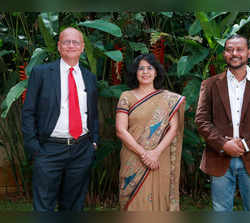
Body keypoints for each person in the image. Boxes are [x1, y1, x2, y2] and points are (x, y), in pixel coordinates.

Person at [195, 34, 250, 211]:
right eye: (229, 49)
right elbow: (201, 120)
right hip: (219, 157)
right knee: (220, 211)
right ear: (224, 54)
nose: (234, 53)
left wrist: (245, 144)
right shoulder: (210, 84)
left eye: (239, 49)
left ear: (249, 52)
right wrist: (223, 144)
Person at [22, 27, 99, 212]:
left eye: (76, 42)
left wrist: (93, 143)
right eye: (66, 42)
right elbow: (28, 111)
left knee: (74, 205)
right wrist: (35, 148)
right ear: (59, 47)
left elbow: (93, 113)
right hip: (49, 149)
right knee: (44, 206)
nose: (71, 45)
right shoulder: (41, 73)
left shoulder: (89, 77)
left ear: (82, 48)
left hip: (81, 149)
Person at [116, 53, 185, 211]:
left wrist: (155, 153)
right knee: (133, 200)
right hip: (133, 156)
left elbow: (173, 129)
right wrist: (144, 154)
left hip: (160, 157)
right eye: (141, 68)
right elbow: (121, 130)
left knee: (159, 197)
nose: (145, 72)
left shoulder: (168, 99)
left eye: (149, 68)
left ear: (156, 72)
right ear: (135, 72)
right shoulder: (126, 97)